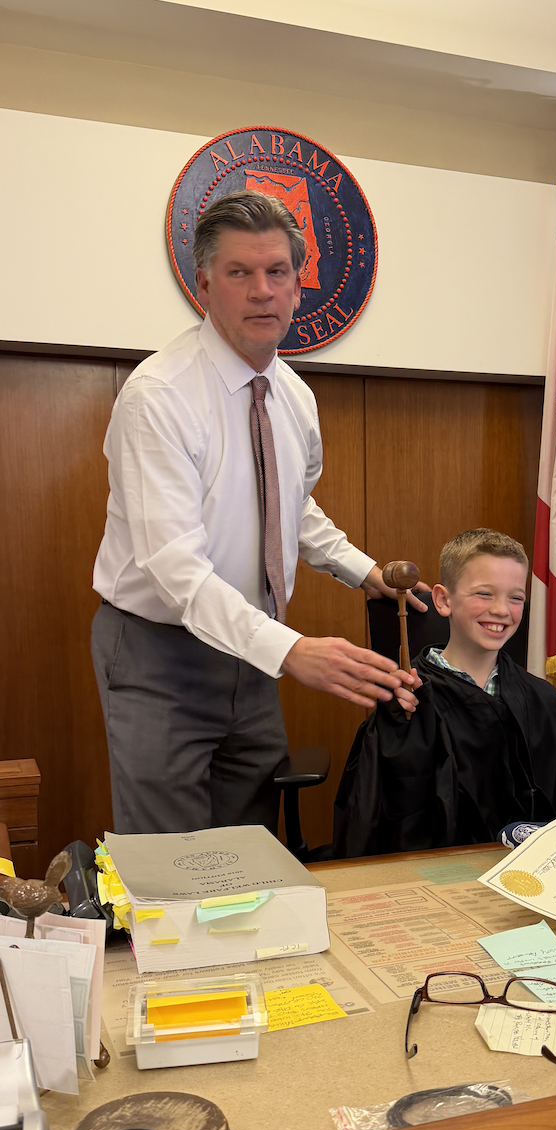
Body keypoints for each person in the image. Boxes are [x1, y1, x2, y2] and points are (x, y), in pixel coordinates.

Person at [92, 189, 423, 835]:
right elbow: (175, 570)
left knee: (246, 852)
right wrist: (290, 648)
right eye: (240, 273)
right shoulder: (157, 397)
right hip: (159, 651)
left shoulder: (293, 396)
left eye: (277, 273)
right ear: (204, 287)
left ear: (298, 288)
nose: (261, 290)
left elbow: (288, 507)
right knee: (172, 865)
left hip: (250, 652)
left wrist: (364, 572)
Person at [332, 529, 556, 856]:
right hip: (437, 877)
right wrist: (400, 734)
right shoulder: (407, 702)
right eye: (484, 594)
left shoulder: (547, 704)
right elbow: (380, 817)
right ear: (443, 600)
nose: (502, 611)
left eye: (516, 597)